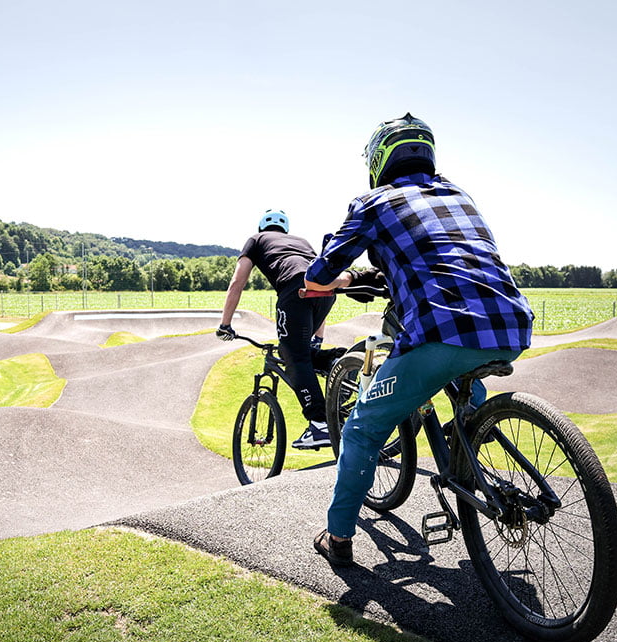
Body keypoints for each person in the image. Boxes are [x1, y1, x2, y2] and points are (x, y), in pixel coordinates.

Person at [304, 113, 534, 566]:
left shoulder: (373, 202)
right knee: (457, 364)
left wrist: (323, 280)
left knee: (363, 427)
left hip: (440, 328)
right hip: (509, 323)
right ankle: (468, 431)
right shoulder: (457, 193)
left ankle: (339, 539)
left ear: (378, 160)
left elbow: (321, 272)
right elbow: (443, 255)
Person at [218, 209, 342, 449]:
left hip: (294, 291)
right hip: (325, 291)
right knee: (304, 353)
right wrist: (319, 337)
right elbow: (317, 281)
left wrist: (225, 324)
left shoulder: (256, 239)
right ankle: (339, 361)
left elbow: (237, 282)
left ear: (262, 226)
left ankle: (320, 424)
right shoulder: (302, 242)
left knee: (292, 356)